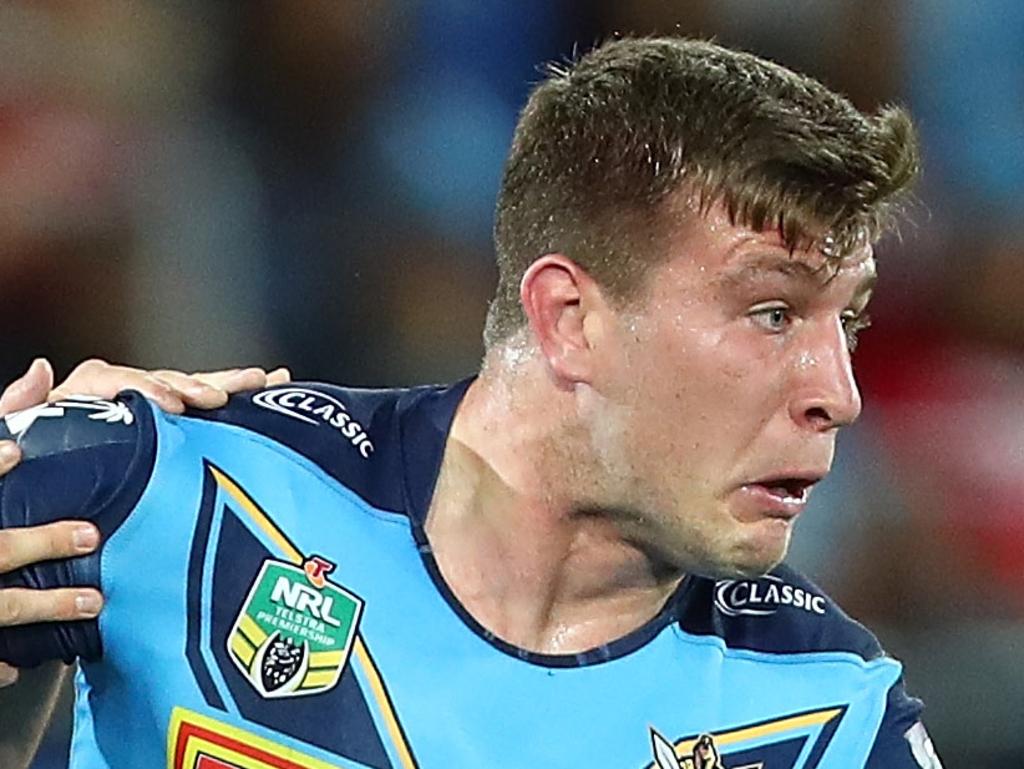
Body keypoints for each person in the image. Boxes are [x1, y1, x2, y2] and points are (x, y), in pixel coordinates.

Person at [0, 37, 943, 769]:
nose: (840, 394)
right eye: (772, 311)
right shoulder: (176, 493)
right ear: (570, 318)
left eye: (847, 323)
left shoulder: (821, 717)